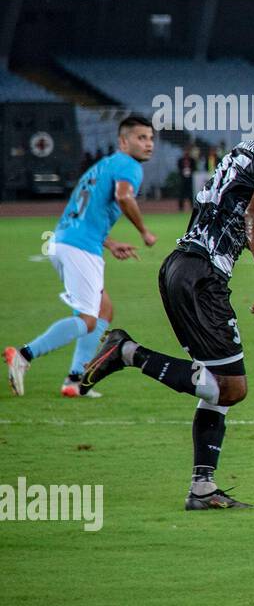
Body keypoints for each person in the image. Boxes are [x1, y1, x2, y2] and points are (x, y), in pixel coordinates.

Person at [79, 70, 254, 511]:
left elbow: (244, 226)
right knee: (232, 388)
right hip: (202, 277)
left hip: (180, 269)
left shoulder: (249, 150)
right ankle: (127, 352)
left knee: (216, 382)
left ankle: (202, 487)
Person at [6, 115, 157, 399]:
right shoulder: (129, 166)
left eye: (150, 138)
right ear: (123, 141)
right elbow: (124, 197)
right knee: (88, 319)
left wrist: (110, 243)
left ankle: (75, 380)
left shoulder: (102, 166)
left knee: (103, 310)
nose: (148, 144)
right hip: (80, 249)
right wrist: (144, 232)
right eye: (141, 138)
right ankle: (24, 355)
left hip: (64, 241)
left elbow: (84, 212)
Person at [178, 144, 196, 212]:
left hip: (190, 178)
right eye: (185, 151)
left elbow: (194, 168)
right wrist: (182, 172)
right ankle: (181, 207)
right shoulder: (180, 160)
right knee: (182, 192)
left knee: (191, 192)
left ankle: (192, 206)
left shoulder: (192, 160)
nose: (186, 152)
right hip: (183, 178)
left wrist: (190, 171)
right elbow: (179, 168)